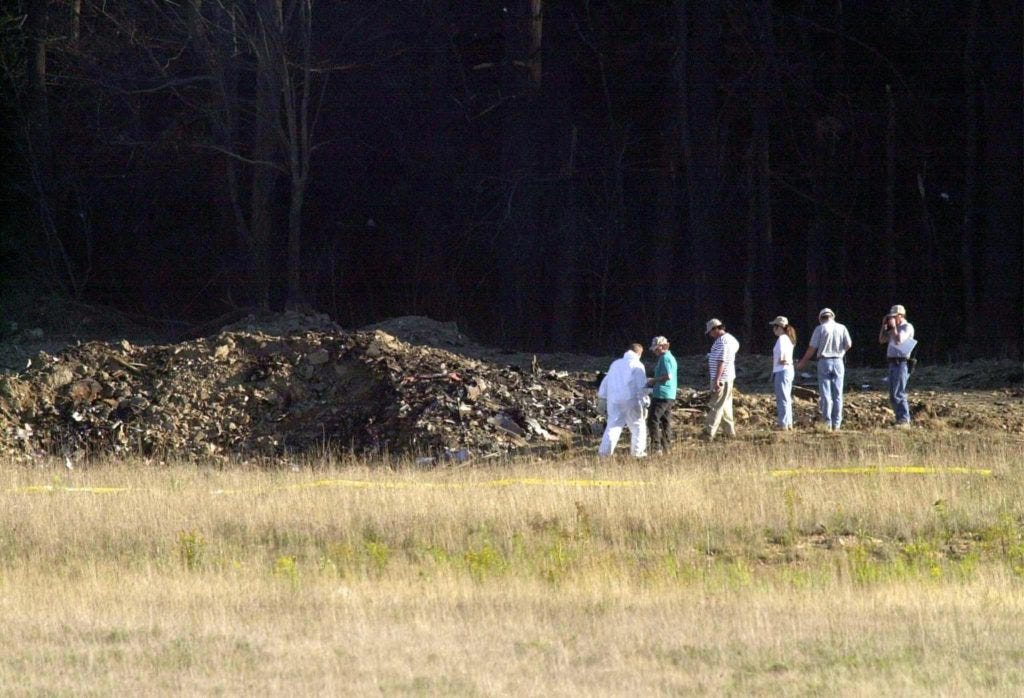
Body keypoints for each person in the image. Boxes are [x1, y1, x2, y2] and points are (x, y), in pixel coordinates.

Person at [796, 308, 852, 431]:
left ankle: (827, 422)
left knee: (826, 394)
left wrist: (802, 362)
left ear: (821, 318)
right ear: (832, 316)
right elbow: (849, 344)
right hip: (838, 361)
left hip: (824, 361)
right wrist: (841, 353)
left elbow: (812, 348)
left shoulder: (820, 329)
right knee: (838, 394)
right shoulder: (842, 327)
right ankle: (837, 424)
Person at [597, 343, 649, 457]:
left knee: (613, 426)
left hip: (614, 400)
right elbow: (641, 386)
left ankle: (604, 453)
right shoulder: (638, 365)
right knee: (638, 426)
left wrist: (602, 398)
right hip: (632, 400)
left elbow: (606, 381)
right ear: (639, 353)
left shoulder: (615, 364)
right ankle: (637, 454)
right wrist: (645, 402)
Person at [878, 304, 916, 427]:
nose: (892, 319)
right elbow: (882, 340)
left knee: (898, 392)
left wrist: (894, 327)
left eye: (894, 316)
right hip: (892, 362)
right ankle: (899, 419)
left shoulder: (907, 327)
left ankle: (905, 420)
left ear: (901, 315)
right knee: (892, 394)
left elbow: (899, 340)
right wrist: (884, 326)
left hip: (902, 363)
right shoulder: (893, 328)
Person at [704, 319, 740, 440]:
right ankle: (729, 432)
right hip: (728, 376)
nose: (710, 334)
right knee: (725, 406)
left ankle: (709, 432)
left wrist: (717, 379)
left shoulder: (722, 342)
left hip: (721, 378)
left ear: (716, 329)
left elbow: (721, 361)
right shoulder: (731, 339)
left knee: (716, 405)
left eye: (710, 331)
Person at [646, 335, 678, 453]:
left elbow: (667, 376)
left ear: (662, 347)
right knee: (665, 420)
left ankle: (656, 447)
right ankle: (666, 447)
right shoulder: (669, 357)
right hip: (669, 393)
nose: (654, 351)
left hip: (662, 394)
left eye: (656, 348)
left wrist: (653, 381)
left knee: (652, 419)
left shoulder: (665, 358)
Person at [769, 316, 796, 430]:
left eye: (774, 326)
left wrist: (781, 359)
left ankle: (783, 424)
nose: (773, 329)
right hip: (788, 370)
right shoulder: (788, 338)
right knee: (786, 398)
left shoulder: (782, 338)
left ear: (778, 327)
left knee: (782, 398)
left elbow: (782, 355)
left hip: (782, 370)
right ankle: (788, 423)